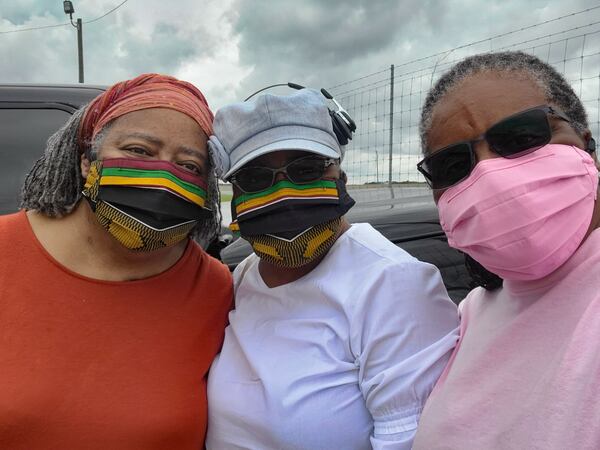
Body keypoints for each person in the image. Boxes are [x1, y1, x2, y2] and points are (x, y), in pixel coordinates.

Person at [205, 88, 459, 449]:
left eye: (306, 169)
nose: (284, 193)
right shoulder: (245, 276)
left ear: (340, 173)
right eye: (256, 178)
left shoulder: (391, 282)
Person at [0, 74, 232, 449]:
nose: (162, 178)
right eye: (139, 151)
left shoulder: (213, 288)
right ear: (87, 162)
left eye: (189, 166)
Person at [412, 51, 600, 450]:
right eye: (450, 166)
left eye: (520, 138)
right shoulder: (468, 315)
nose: (489, 175)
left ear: (586, 144)